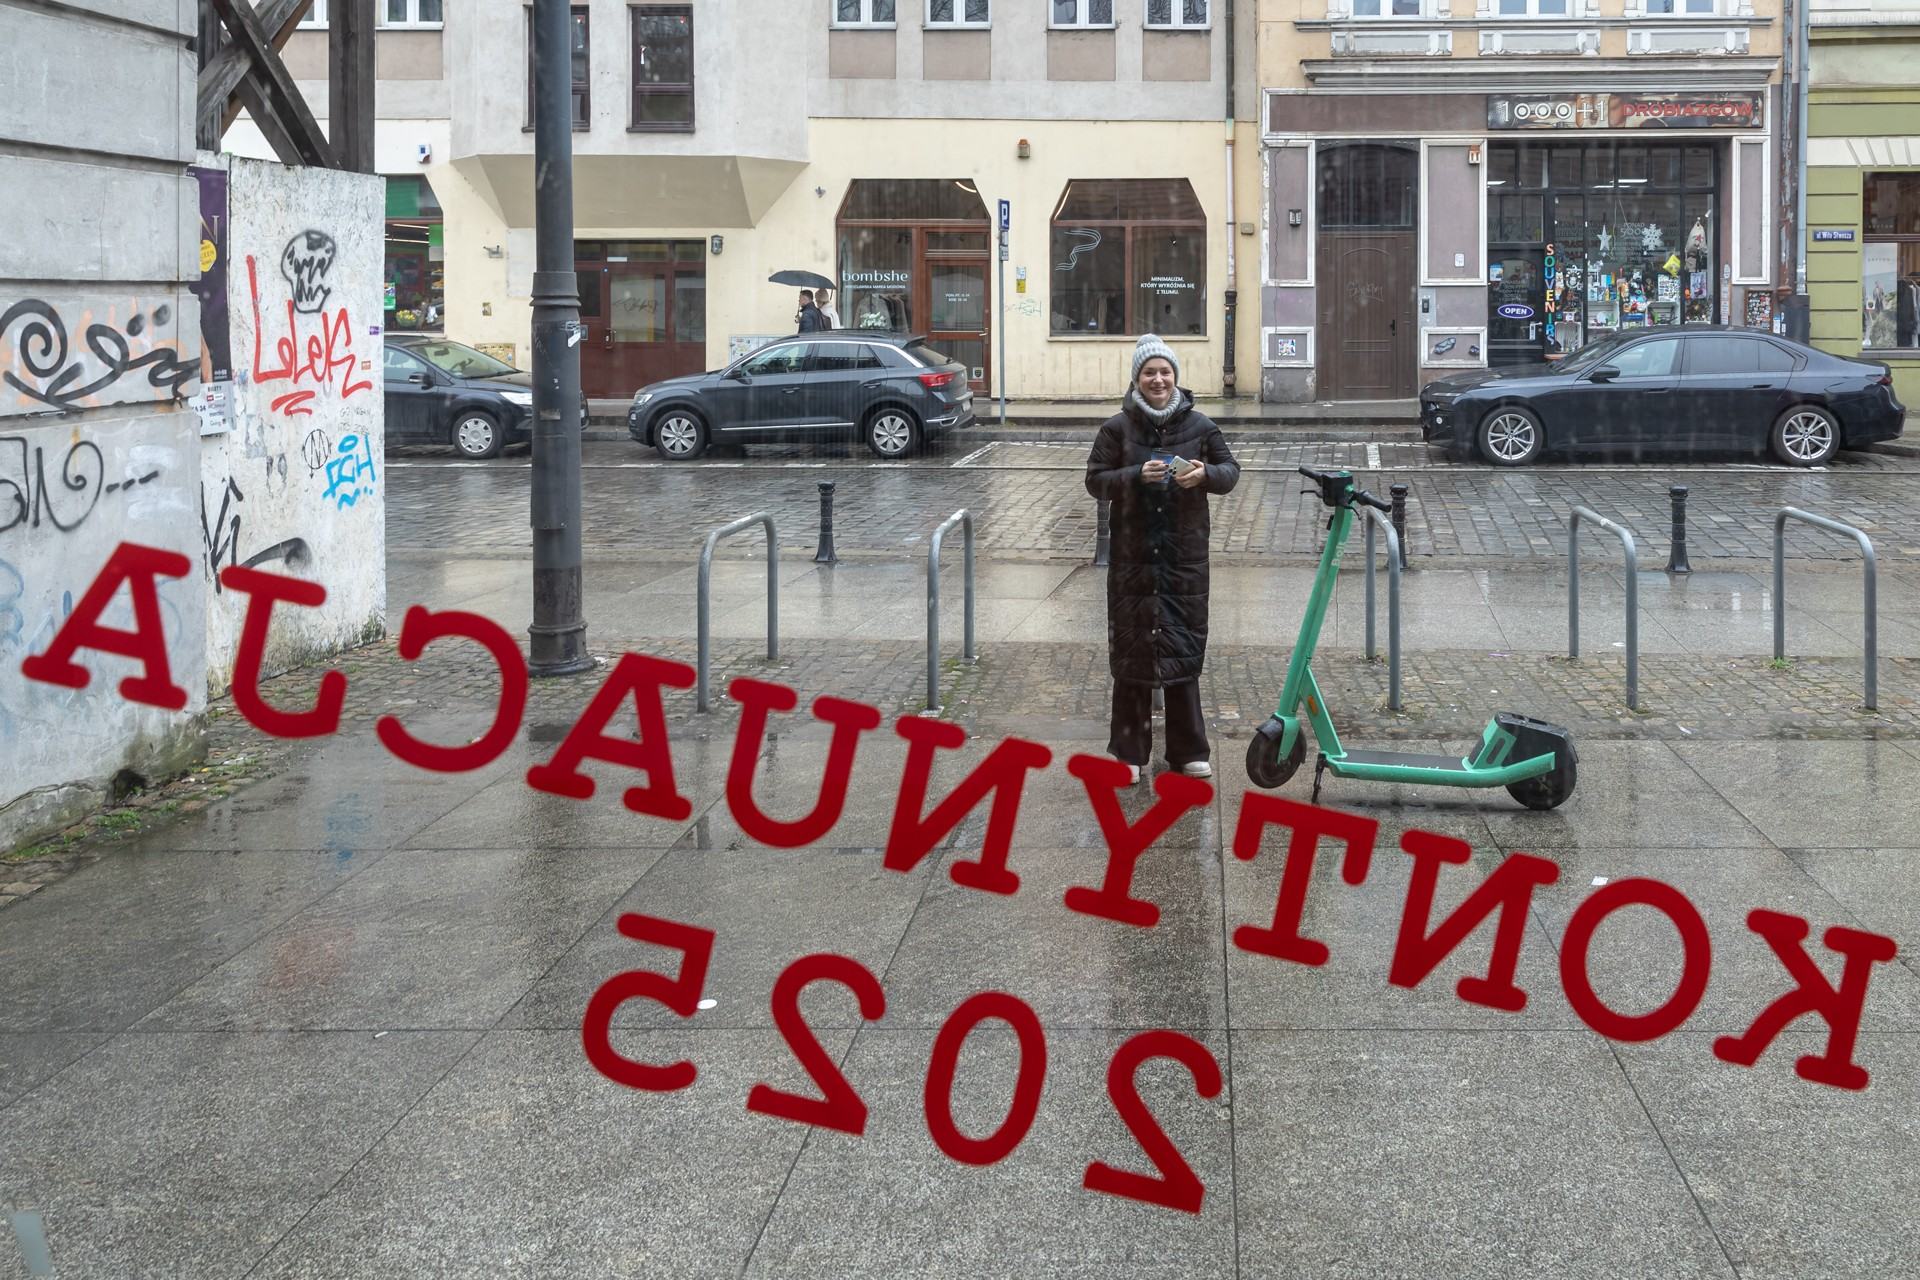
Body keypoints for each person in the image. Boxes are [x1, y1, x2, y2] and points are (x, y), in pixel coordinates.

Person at [1085, 335, 1240, 784]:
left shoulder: (1201, 426)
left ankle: (1188, 750)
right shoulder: (1116, 429)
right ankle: (1128, 753)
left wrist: (1205, 474)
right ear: (1136, 379)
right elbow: (1095, 480)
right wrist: (1135, 475)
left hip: (1182, 558)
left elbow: (1231, 472)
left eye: (1165, 372)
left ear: (1176, 377)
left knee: (1182, 649)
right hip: (1133, 558)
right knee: (1133, 651)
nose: (1158, 380)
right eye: (1149, 372)